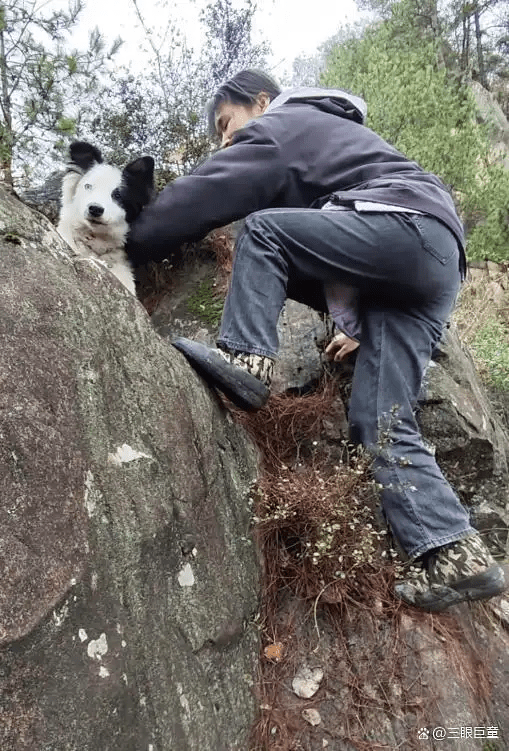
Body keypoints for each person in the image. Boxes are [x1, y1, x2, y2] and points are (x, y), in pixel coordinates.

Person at [128, 69, 508, 612]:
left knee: (264, 231)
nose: (224, 141)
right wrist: (363, 323)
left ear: (260, 101)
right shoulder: (334, 139)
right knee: (381, 418)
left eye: (225, 123)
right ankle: (455, 552)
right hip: (434, 262)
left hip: (405, 227)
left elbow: (205, 192)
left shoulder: (287, 122)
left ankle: (247, 359)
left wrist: (123, 242)